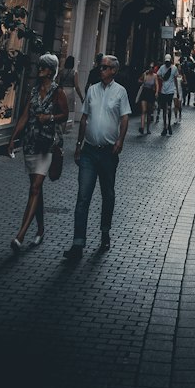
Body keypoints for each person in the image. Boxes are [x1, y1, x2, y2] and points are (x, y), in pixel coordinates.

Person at [64, 54, 130, 260]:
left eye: (104, 67)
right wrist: (77, 145)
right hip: (89, 152)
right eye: (100, 67)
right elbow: (84, 119)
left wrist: (120, 140)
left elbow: (125, 118)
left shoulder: (121, 92)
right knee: (83, 197)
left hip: (109, 153)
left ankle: (104, 232)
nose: (100, 69)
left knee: (107, 195)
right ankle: (78, 243)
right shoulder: (92, 90)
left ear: (113, 71)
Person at [8, 54, 68, 251]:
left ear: (50, 70)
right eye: (39, 65)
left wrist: (49, 117)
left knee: (35, 188)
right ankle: (41, 229)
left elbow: (64, 115)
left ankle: (20, 235)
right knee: (36, 189)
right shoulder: (34, 91)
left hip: (47, 145)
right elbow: (25, 115)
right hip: (31, 144)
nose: (39, 68)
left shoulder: (57, 91)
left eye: (43, 66)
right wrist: (12, 138)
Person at [57, 54, 83, 133]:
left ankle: (58, 128)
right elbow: (76, 86)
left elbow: (58, 82)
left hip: (61, 91)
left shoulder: (61, 72)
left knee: (59, 110)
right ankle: (63, 130)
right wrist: (81, 97)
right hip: (70, 91)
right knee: (66, 113)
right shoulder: (74, 72)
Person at [157, 54, 179, 135]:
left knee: (169, 108)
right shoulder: (162, 68)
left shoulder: (174, 68)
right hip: (163, 91)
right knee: (164, 109)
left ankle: (168, 125)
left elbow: (175, 80)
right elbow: (158, 75)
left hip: (170, 91)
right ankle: (165, 126)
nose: (167, 64)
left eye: (168, 62)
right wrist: (161, 79)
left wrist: (177, 91)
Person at [136, 61, 159, 135]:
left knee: (149, 112)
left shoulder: (155, 76)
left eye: (152, 67)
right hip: (144, 92)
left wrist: (156, 92)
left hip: (150, 93)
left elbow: (157, 84)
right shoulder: (145, 74)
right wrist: (142, 81)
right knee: (144, 110)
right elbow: (139, 80)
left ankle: (148, 128)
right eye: (150, 67)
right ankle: (142, 127)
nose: (151, 69)